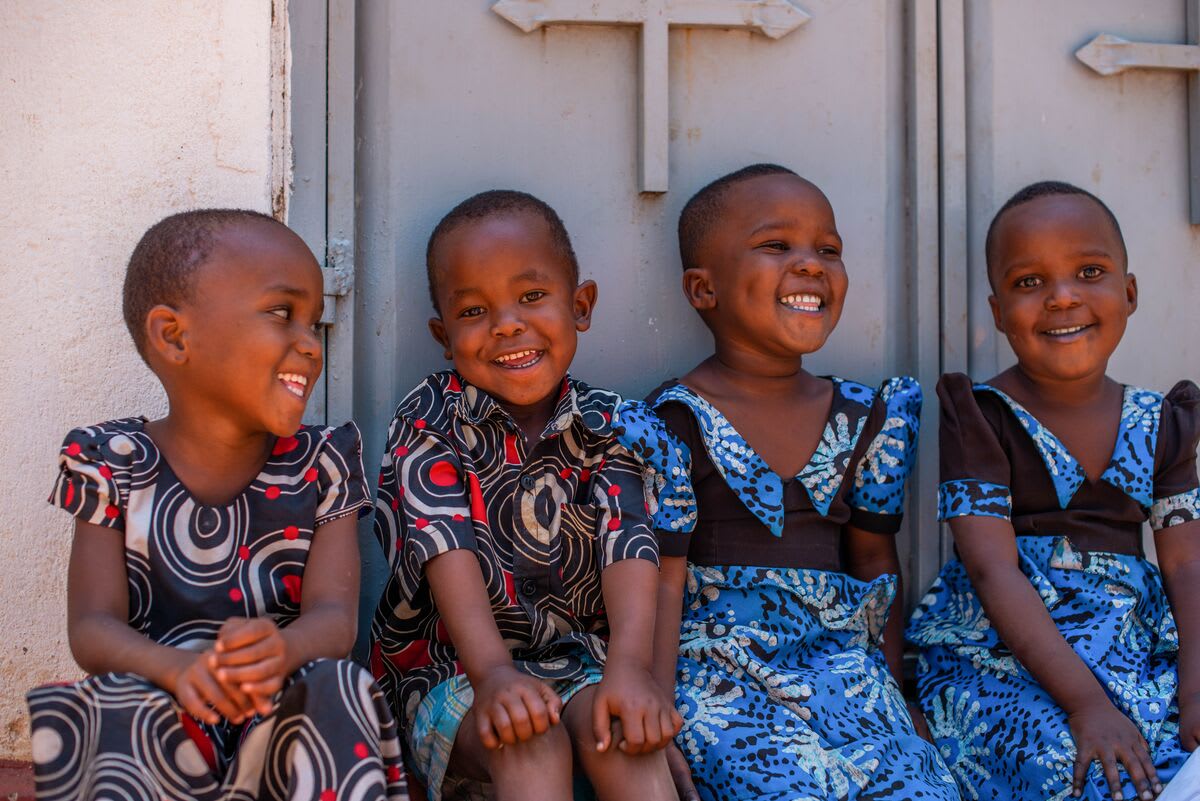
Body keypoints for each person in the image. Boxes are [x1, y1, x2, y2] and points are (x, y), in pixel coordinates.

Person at [27, 209, 408, 800]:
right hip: (163, 700)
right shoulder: (109, 461)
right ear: (174, 336)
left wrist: (281, 651)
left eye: (315, 322)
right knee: (111, 704)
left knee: (338, 686)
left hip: (280, 698)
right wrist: (177, 671)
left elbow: (334, 622)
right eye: (283, 313)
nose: (310, 344)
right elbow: (92, 628)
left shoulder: (325, 459)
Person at [616, 164, 958, 800]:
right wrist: (658, 717)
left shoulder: (869, 419)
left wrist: (894, 694)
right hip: (722, 679)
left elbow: (874, 565)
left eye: (828, 250)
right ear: (702, 289)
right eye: (777, 246)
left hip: (848, 677)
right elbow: (662, 581)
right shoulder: (674, 421)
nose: (810, 264)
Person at [370, 190, 679, 801]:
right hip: (454, 673)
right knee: (528, 740)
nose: (507, 324)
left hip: (579, 661)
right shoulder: (430, 419)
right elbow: (443, 542)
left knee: (622, 737)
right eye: (473, 311)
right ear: (443, 335)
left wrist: (629, 671)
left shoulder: (610, 423)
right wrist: (492, 676)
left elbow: (630, 543)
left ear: (581, 305)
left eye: (532, 297)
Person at [907, 181, 1200, 800]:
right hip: (1007, 657)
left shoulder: (1164, 422)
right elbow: (992, 571)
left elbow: (1188, 563)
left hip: (1135, 645)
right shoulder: (983, 416)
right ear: (996, 311)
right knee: (1083, 772)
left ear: (1130, 291)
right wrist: (1086, 704)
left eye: (1088, 271)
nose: (1063, 297)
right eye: (1029, 283)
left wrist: (1196, 679)